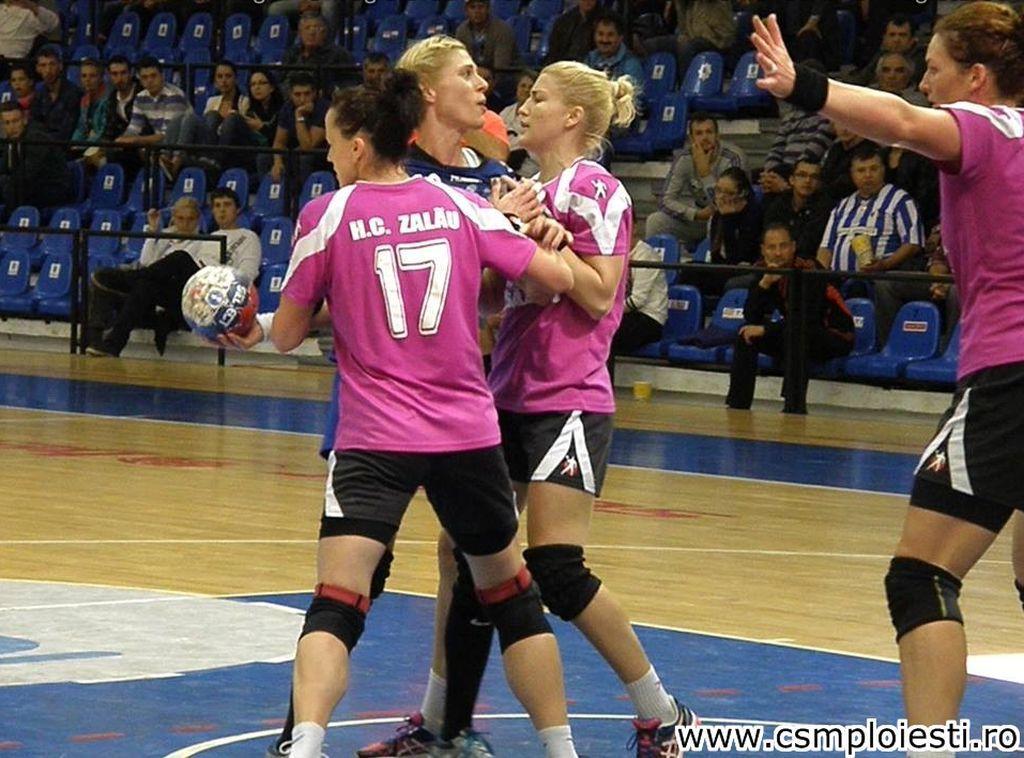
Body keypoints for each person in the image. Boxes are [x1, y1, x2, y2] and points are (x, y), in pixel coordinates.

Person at [244, 71, 580, 758]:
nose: (328, 157)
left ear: (359, 147)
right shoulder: (461, 206)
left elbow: (286, 334)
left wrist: (256, 324)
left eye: (332, 145)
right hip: (466, 433)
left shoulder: (327, 216)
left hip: (375, 436)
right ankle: (561, 749)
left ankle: (304, 745)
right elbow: (554, 281)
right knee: (512, 597)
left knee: (338, 601)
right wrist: (528, 234)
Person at [752, 4, 1024, 746]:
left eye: (933, 70)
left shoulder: (984, 127)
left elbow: (900, 123)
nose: (925, 85)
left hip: (1009, 374)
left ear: (976, 76)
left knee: (921, 576)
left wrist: (804, 85)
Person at [725, 222, 854, 409]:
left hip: (835, 336)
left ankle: (794, 407)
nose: (778, 253)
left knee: (796, 333)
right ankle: (738, 405)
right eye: (771, 247)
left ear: (793, 247)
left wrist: (766, 330)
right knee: (745, 335)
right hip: (797, 330)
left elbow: (807, 318)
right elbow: (751, 316)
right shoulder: (764, 269)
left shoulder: (809, 269)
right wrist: (764, 284)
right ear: (763, 250)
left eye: (783, 246)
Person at [644, 112, 747, 252]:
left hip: (731, 219)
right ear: (691, 138)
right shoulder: (685, 158)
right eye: (699, 133)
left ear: (717, 135)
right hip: (700, 217)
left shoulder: (733, 158)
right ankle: (655, 264)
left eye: (709, 132)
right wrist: (695, 214)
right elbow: (665, 200)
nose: (705, 138)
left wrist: (705, 174)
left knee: (715, 220)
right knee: (655, 221)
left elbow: (728, 203)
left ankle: (713, 261)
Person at [816, 143, 924, 276]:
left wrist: (885, 264)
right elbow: (826, 248)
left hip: (881, 280)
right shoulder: (842, 206)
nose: (868, 175)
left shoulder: (900, 200)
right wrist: (821, 278)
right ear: (852, 174)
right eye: (861, 170)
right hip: (838, 282)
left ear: (883, 170)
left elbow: (913, 244)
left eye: (873, 169)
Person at [0, 100, 72, 208]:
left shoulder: (36, 137)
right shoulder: (10, 141)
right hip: (28, 186)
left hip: (52, 186)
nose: (11, 127)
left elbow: (28, 172)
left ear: (24, 120)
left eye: (15, 121)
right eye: (7, 123)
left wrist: (6, 181)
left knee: (12, 187)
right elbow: (4, 169)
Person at [265, 72, 329, 191]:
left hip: (322, 155)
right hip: (297, 151)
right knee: (264, 157)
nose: (302, 99)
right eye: (297, 95)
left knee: (303, 157)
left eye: (307, 94)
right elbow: (279, 142)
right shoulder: (287, 107)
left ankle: (303, 196)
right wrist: (277, 162)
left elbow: (308, 147)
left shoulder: (323, 108)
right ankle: (271, 196)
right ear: (290, 95)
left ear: (315, 93)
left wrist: (299, 116)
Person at [762, 157, 831, 262]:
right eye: (802, 175)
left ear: (819, 183)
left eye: (814, 177)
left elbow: (809, 246)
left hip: (807, 265)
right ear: (792, 180)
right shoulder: (779, 204)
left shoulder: (825, 209)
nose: (808, 181)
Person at [611, 232, 670, 355]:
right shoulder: (616, 255)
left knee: (609, 332)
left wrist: (611, 311)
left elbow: (637, 300)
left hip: (650, 318)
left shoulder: (646, 255)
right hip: (627, 314)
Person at [281, 13, 353, 94]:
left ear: (324, 32)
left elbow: (349, 84)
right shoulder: (292, 53)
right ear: (300, 33)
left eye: (316, 28)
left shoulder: (339, 54)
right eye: (307, 28)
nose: (312, 32)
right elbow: (281, 80)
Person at [30, 45, 82, 145]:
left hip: (64, 145)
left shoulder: (73, 93)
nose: (48, 70)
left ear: (60, 66)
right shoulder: (39, 92)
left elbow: (68, 129)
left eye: (52, 64)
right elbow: (34, 122)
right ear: (38, 68)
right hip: (42, 144)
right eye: (43, 65)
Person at [455, 0, 522, 71]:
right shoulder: (462, 31)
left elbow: (501, 66)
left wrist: (480, 71)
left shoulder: (502, 30)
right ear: (466, 10)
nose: (477, 11)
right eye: (472, 7)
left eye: (481, 7)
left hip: (510, 73)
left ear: (488, 9)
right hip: (475, 72)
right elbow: (460, 62)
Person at [585, 12, 644, 90]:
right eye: (600, 34)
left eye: (610, 35)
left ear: (620, 38)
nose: (604, 40)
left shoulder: (632, 65)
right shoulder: (590, 59)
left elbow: (633, 96)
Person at [543, 0, 599, 65]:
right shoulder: (563, 21)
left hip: (589, 66)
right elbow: (554, 51)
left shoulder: (602, 20)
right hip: (562, 65)